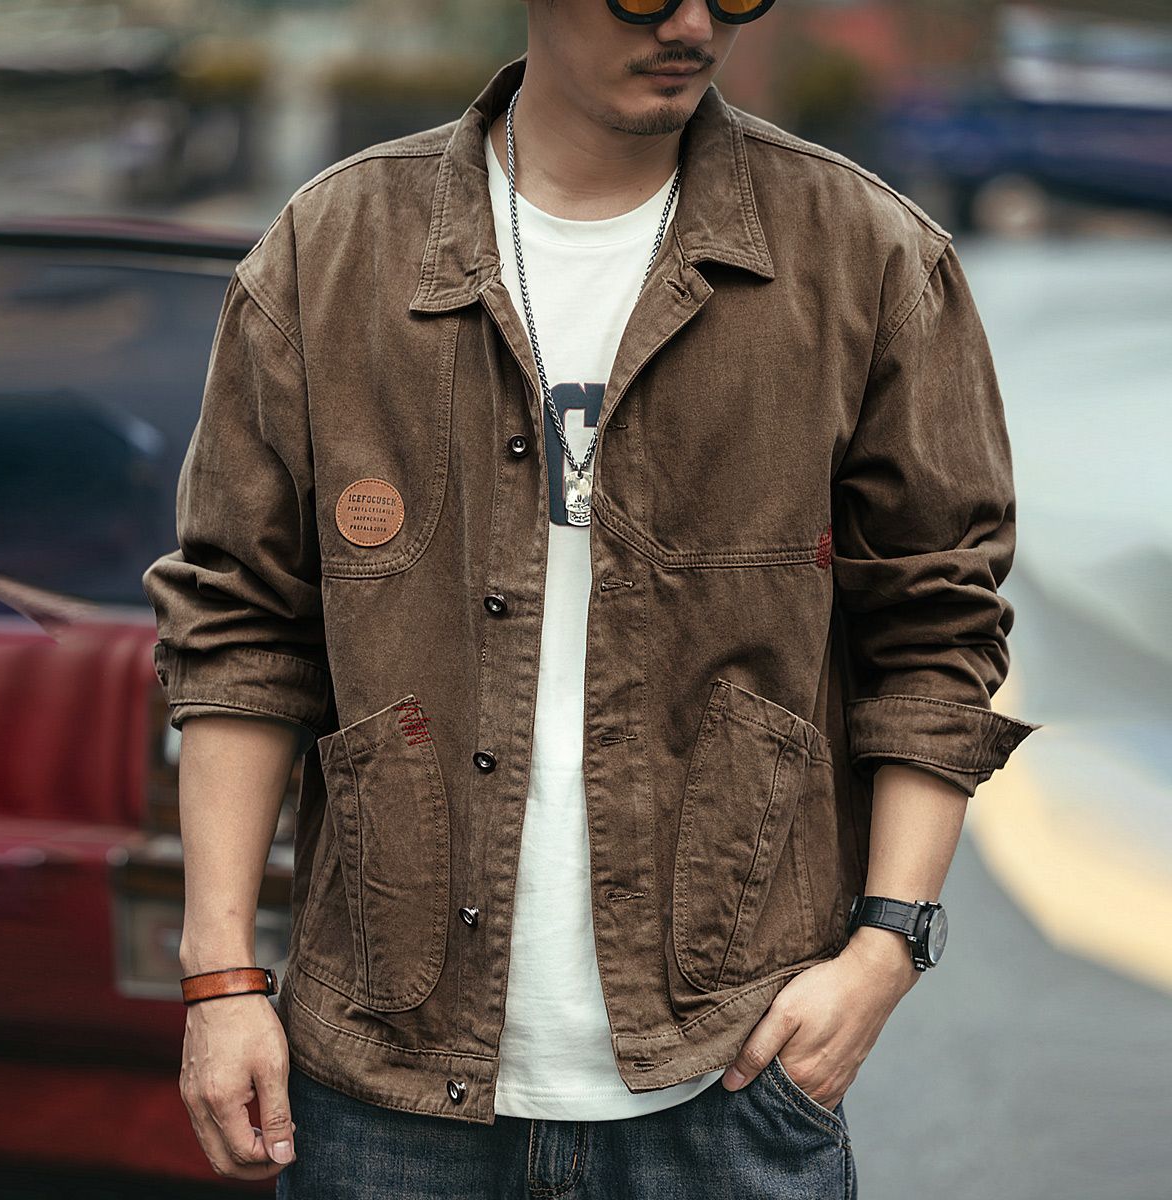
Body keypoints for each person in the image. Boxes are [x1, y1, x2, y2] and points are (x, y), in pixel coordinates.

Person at [142, 1, 1042, 1196]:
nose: (691, 23)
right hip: (386, 1088)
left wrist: (888, 946)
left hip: (726, 1078)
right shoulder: (334, 249)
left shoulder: (864, 254)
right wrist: (219, 978)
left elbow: (937, 623)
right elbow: (244, 629)